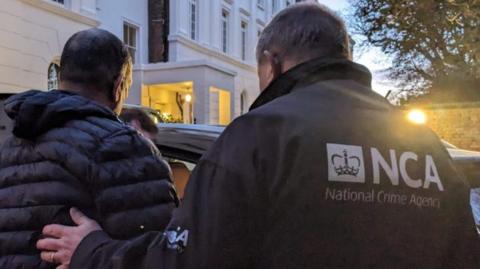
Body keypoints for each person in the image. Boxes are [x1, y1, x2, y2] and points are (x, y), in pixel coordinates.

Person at [38, 3, 479, 268]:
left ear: (273, 62)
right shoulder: (427, 148)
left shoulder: (261, 135)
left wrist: (93, 251)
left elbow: (187, 260)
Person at [0, 29, 178, 268]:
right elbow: (164, 254)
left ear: (62, 76)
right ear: (118, 86)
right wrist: (93, 249)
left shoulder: (10, 143)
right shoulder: (125, 147)